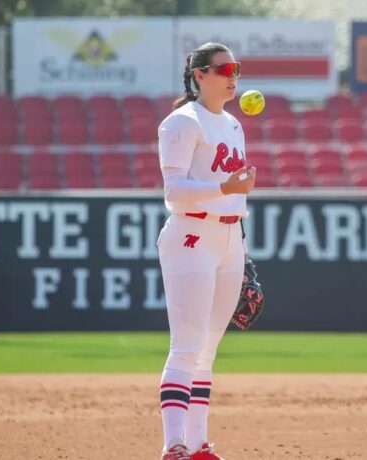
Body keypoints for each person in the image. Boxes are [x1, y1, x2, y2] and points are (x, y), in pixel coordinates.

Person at [156, 42, 256, 460]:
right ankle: (173, 444)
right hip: (191, 237)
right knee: (186, 345)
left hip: (229, 240)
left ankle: (198, 444)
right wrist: (225, 188)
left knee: (209, 350)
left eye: (236, 67)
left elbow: (235, 199)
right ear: (200, 75)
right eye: (224, 68)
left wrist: (244, 256)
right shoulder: (181, 122)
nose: (233, 75)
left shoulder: (233, 125)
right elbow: (174, 191)